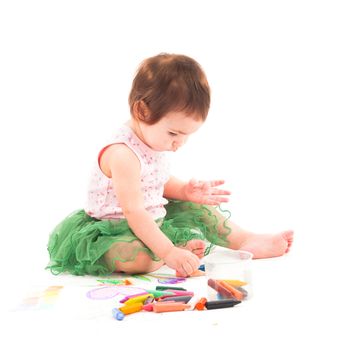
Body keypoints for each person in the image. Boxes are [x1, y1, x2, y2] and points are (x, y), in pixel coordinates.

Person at [47, 53, 293, 277]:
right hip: (114, 229)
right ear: (142, 110)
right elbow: (134, 212)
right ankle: (166, 252)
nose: (179, 143)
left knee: (200, 210)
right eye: (174, 133)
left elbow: (158, 181)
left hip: (152, 221)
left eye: (187, 135)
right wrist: (167, 252)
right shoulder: (122, 155)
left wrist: (186, 191)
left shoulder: (152, 141)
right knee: (135, 257)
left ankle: (245, 240)